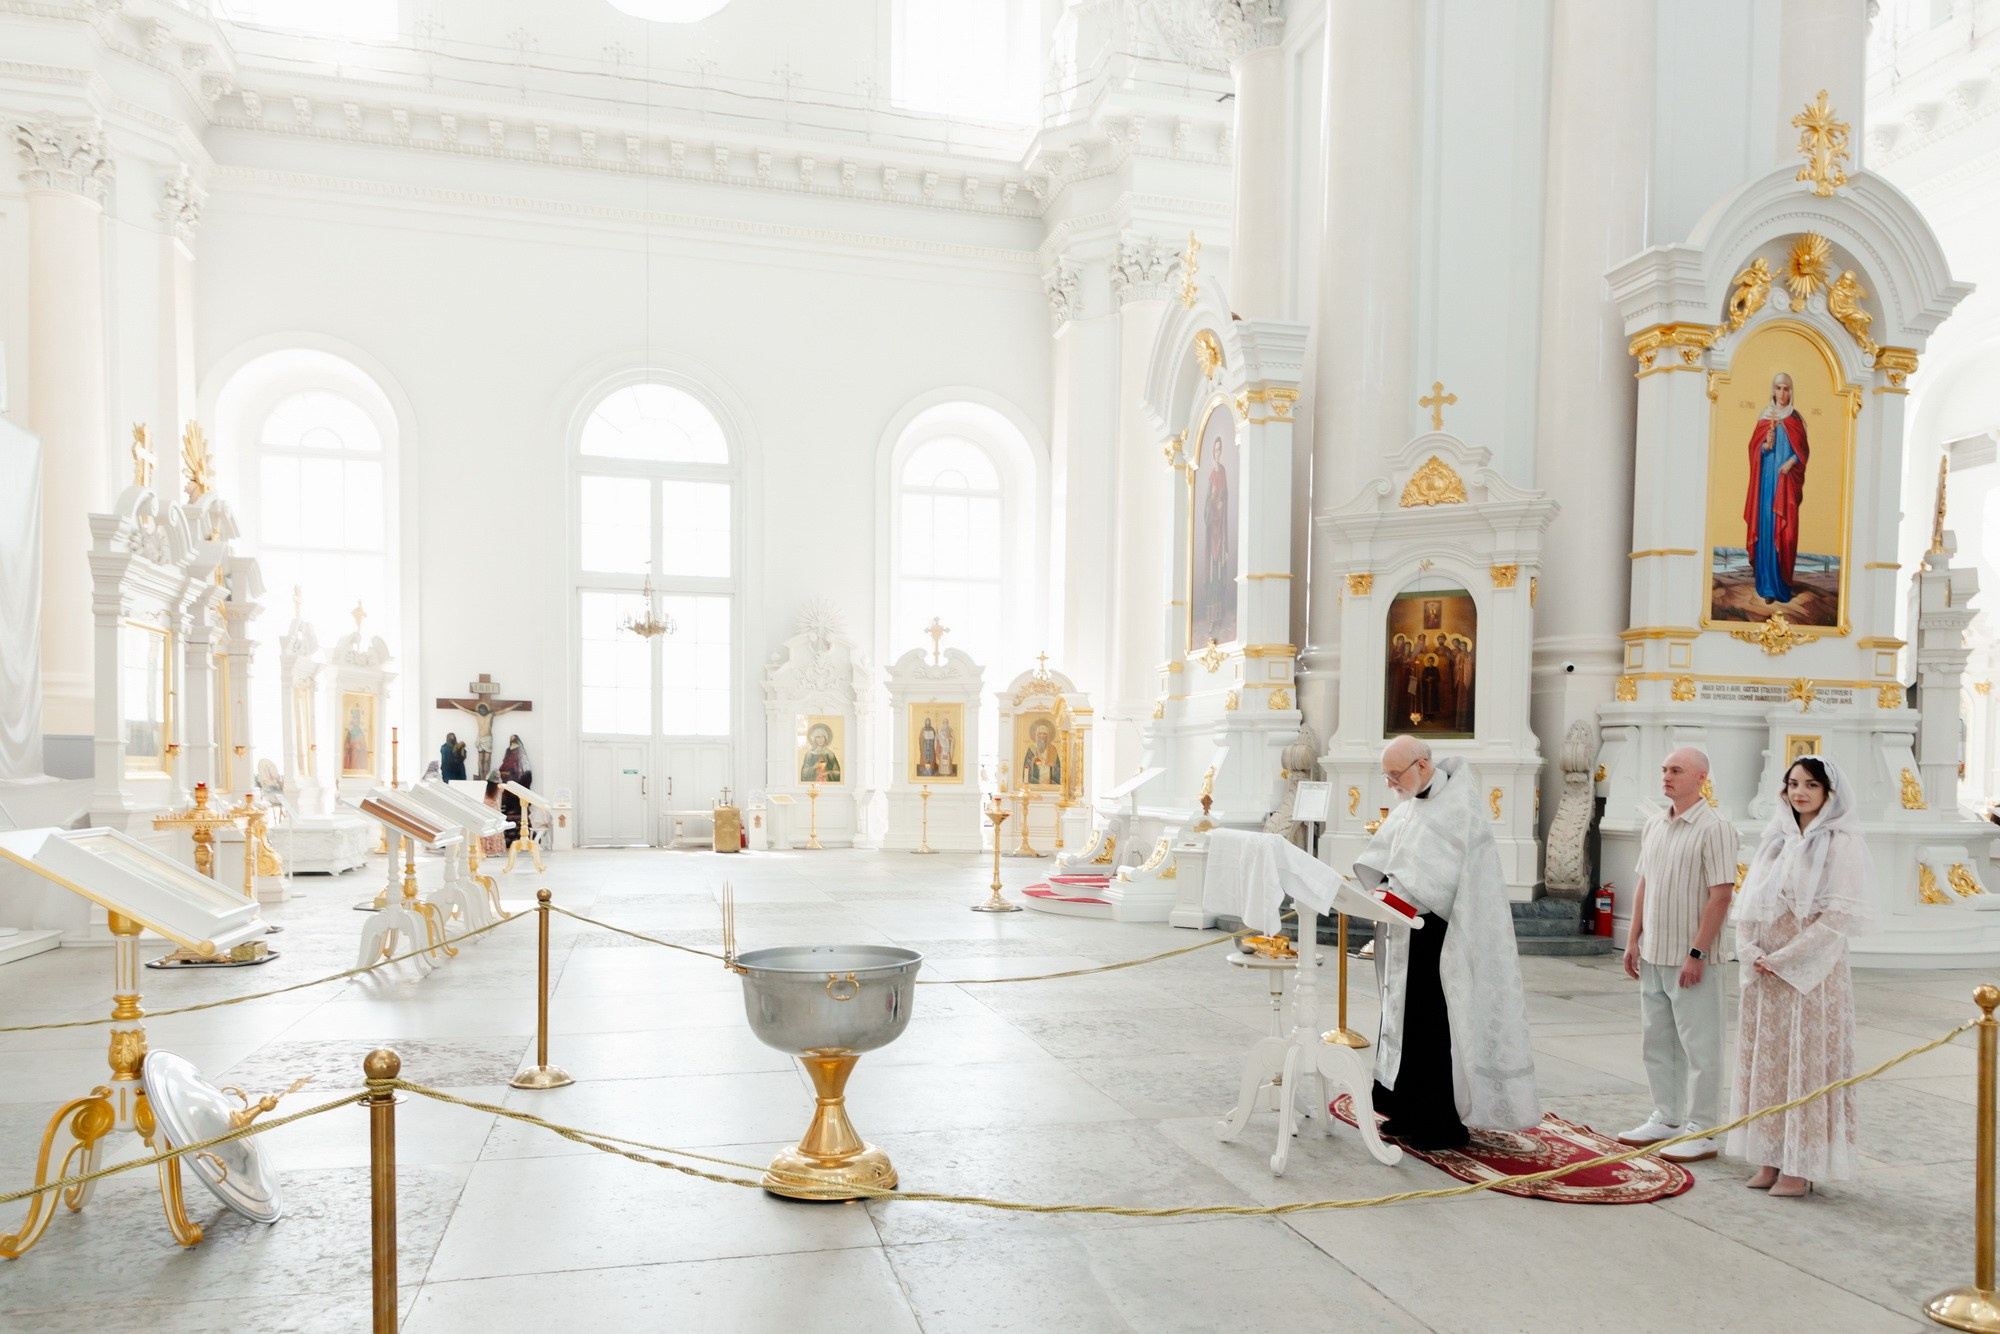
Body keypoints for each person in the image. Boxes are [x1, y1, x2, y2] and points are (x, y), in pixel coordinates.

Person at [1351, 736, 1540, 1149]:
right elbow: (1386, 858)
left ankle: (1438, 1124)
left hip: (1442, 935)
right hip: (1406, 928)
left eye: (1395, 775)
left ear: (1421, 765)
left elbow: (1454, 880)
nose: (1391, 784)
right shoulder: (1411, 804)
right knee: (1403, 1022)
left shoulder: (1459, 809)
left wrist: (1404, 890)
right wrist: (1384, 888)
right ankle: (1404, 1110)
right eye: (1386, 777)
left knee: (1431, 1026)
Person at [1727, 755, 1873, 1197]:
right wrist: (1750, 949)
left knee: (1804, 1064)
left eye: (1811, 784)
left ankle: (1800, 1165)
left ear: (1829, 792)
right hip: (1766, 972)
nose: (1800, 792)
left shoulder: (1842, 842)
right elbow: (1749, 903)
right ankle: (1770, 1157)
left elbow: (1839, 915)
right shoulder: (1775, 839)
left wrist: (1787, 958)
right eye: (1793, 783)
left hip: (1813, 973)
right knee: (1769, 1064)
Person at [1619, 746, 1739, 1162]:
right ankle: (1667, 1118)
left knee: (1701, 1047)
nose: (1666, 777)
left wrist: (1697, 953)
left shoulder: (1716, 828)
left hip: (1692, 959)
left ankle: (1703, 1129)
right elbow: (1644, 885)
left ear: (1701, 778)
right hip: (1653, 953)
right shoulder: (1654, 823)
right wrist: (1632, 940)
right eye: (1664, 769)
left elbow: (1721, 896)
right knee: (1657, 1041)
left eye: (1676, 770)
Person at [1743, 371, 1809, 604]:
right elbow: (1754, 449)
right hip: (1767, 484)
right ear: (1773, 390)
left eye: (1786, 388)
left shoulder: (1795, 419)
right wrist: (1765, 446)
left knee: (1786, 533)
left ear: (1791, 392)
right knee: (1767, 529)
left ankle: (1782, 585)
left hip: (1786, 484)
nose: (1782, 393)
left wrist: (1791, 462)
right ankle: (1767, 587)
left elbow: (1803, 451)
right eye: (1778, 388)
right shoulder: (1765, 418)